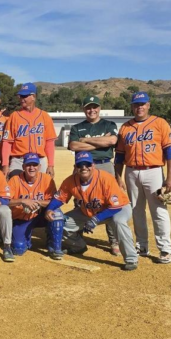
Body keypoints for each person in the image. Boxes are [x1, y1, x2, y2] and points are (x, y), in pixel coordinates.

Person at [45, 151, 138, 270]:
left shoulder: (105, 178)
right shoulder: (70, 181)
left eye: (87, 164)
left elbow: (116, 206)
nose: (84, 167)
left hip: (118, 209)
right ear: (75, 167)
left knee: (118, 222)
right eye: (80, 165)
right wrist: (49, 209)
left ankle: (131, 259)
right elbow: (59, 198)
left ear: (93, 165)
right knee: (60, 223)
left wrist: (96, 219)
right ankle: (78, 246)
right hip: (89, 210)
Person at [114, 92, 171, 264]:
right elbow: (119, 156)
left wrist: (170, 177)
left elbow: (170, 152)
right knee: (136, 210)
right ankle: (142, 245)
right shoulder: (125, 127)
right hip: (131, 172)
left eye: (142, 104)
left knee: (159, 210)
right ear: (132, 106)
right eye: (136, 104)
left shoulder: (160, 123)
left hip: (154, 171)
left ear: (148, 105)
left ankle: (165, 248)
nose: (139, 107)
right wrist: (118, 177)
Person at [68, 95, 120, 256]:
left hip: (105, 165)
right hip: (82, 167)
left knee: (110, 202)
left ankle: (114, 241)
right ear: (84, 109)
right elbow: (73, 145)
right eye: (88, 107)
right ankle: (77, 239)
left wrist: (85, 141)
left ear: (99, 108)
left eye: (94, 107)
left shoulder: (109, 124)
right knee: (80, 201)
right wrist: (100, 142)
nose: (92, 110)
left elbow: (111, 141)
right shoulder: (77, 127)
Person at [1, 83, 56, 179]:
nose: (22, 99)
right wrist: (5, 164)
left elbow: (49, 142)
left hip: (39, 160)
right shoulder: (14, 116)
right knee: (15, 185)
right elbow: (7, 142)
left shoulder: (44, 116)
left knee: (42, 186)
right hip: (19, 160)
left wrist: (51, 165)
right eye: (20, 96)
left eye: (25, 96)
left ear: (33, 96)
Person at [7, 153, 57, 257]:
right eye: (28, 165)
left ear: (39, 166)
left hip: (41, 216)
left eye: (34, 165)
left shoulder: (47, 179)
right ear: (23, 166)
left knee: (57, 214)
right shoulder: (15, 180)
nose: (32, 168)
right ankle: (26, 235)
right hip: (21, 219)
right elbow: (4, 201)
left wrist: (37, 202)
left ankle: (54, 244)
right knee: (18, 248)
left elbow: (55, 201)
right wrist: (22, 201)